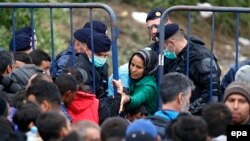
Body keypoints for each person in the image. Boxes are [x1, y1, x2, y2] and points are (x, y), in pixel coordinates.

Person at [160, 23, 221, 115]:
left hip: (199, 118)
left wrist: (188, 111)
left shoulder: (201, 57)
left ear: (171, 43)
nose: (164, 50)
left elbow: (213, 93)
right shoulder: (176, 57)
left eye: (164, 47)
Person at [113, 48, 159, 115]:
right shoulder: (136, 79)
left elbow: (137, 99)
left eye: (139, 67)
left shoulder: (149, 87)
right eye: (132, 65)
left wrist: (127, 99)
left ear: (148, 69)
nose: (133, 70)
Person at [73, 32, 111, 98]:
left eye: (105, 56)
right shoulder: (80, 69)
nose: (102, 59)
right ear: (87, 50)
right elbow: (85, 98)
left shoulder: (104, 66)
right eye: (99, 55)